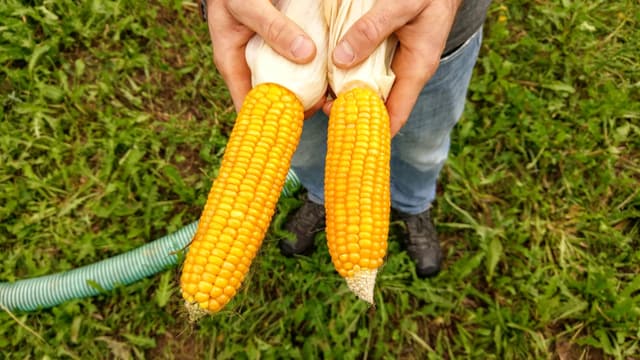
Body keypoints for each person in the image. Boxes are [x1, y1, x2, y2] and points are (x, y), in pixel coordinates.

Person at [201, 0, 491, 278]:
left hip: (427, 30)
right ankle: (321, 195)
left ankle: (413, 205)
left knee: (421, 147)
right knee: (306, 152)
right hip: (276, 22)